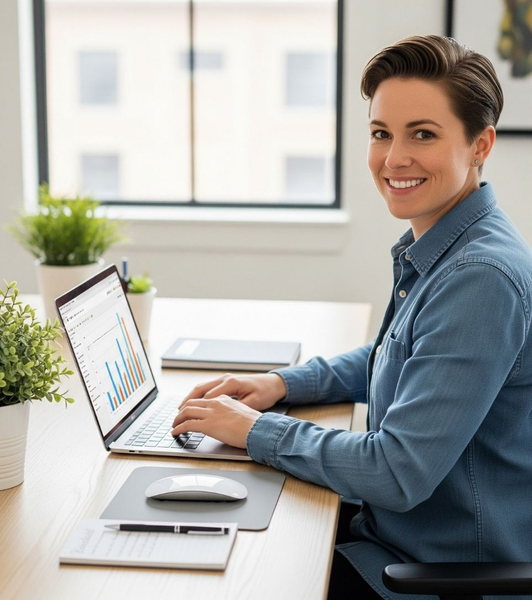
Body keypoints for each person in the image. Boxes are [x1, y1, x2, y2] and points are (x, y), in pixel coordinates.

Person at [172, 35, 532, 599]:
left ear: (480, 144)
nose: (394, 159)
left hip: (434, 573)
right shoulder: (450, 244)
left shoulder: (479, 277)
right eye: (381, 133)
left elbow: (397, 471)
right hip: (394, 538)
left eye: (423, 134)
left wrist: (255, 432)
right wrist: (280, 384)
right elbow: (397, 353)